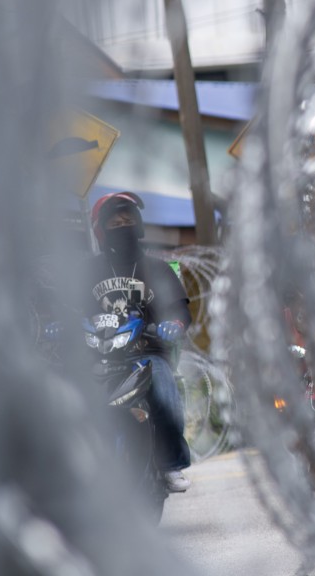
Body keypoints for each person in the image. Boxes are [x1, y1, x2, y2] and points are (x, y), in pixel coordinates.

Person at [86, 191, 193, 492]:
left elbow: (180, 309)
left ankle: (171, 463)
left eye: (128, 219)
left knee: (164, 392)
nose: (123, 225)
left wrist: (174, 323)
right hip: (98, 356)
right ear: (101, 230)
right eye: (116, 221)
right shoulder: (87, 271)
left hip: (146, 353)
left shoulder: (158, 269)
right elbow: (68, 307)